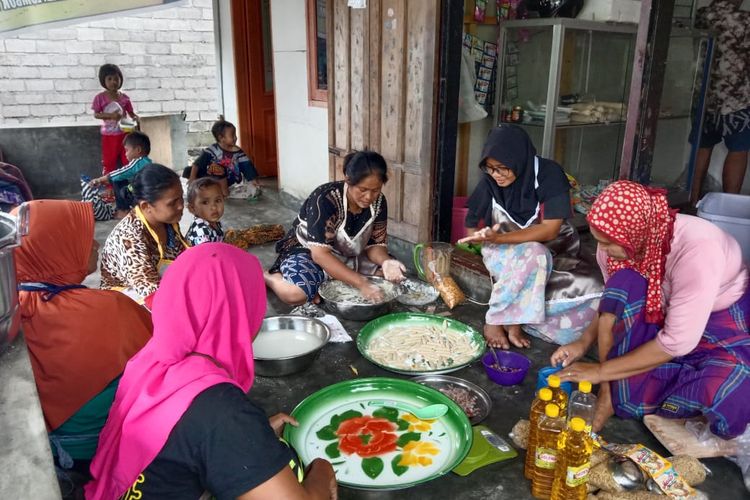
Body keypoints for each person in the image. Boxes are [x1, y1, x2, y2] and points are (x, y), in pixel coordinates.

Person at [86, 244, 337, 500]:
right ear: (240, 310)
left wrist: (254, 440)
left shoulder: (151, 361)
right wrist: (322, 469)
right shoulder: (222, 412)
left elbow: (185, 442)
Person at [552, 181, 750, 439]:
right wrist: (583, 342)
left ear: (637, 232)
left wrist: (599, 372)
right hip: (662, 314)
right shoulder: (614, 245)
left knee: (730, 389)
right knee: (624, 282)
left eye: (609, 243)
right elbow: (613, 301)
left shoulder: (698, 250)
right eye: (599, 240)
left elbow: (677, 342)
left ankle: (623, 384)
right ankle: (611, 393)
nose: (603, 249)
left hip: (716, 321)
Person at [12, 200, 151, 464]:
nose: (96, 244)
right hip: (109, 447)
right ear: (57, 248)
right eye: (82, 239)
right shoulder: (108, 309)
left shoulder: (18, 307)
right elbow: (165, 350)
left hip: (52, 449)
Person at [459, 125, 602, 349]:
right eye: (490, 169)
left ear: (519, 159)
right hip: (505, 251)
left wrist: (499, 238)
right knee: (535, 253)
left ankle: (519, 320)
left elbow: (550, 230)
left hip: (558, 249)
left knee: (596, 288)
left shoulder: (549, 174)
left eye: (502, 168)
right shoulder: (490, 182)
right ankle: (496, 320)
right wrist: (480, 237)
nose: (496, 175)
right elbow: (471, 225)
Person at [266, 150, 406, 305]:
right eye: (362, 189)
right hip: (310, 251)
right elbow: (320, 255)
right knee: (296, 294)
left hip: (351, 254)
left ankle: (324, 284)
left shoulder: (379, 202)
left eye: (375, 190)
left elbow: (375, 246)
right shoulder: (325, 198)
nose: (369, 197)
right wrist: (361, 283)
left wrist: (386, 261)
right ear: (348, 179)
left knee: (391, 278)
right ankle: (270, 277)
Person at [100, 164, 189, 307]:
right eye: (172, 203)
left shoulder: (167, 222)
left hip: (157, 286)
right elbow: (153, 298)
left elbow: (182, 259)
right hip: (125, 301)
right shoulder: (129, 239)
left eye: (181, 198)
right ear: (146, 206)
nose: (180, 206)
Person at [690, 0, 750, 205]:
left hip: (703, 95)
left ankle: (691, 200)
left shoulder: (701, 15)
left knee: (701, 146)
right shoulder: (745, 20)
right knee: (738, 149)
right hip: (737, 98)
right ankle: (729, 204)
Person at [187, 118, 260, 197]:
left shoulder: (238, 152)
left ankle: (225, 191)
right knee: (216, 168)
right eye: (232, 135)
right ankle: (222, 192)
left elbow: (246, 165)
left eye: (235, 135)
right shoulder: (212, 151)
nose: (235, 138)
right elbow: (197, 164)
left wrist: (253, 180)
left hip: (230, 179)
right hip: (212, 180)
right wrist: (192, 178)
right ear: (221, 138)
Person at [89, 131, 152, 218]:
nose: (125, 154)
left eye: (127, 150)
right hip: (146, 196)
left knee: (118, 180)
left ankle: (123, 210)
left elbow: (121, 173)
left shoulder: (138, 162)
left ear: (138, 150)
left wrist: (100, 179)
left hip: (141, 196)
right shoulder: (147, 162)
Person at [91, 64, 139, 175]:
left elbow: (131, 113)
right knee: (109, 161)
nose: (113, 82)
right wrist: (110, 116)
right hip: (109, 135)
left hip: (125, 133)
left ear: (120, 79)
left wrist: (135, 118)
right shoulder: (100, 98)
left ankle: (130, 181)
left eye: (116, 79)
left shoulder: (125, 98)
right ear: (103, 81)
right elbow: (96, 115)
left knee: (128, 159)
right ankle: (109, 183)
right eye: (109, 79)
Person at [185, 177, 225, 246]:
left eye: (217, 201)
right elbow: (205, 252)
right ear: (192, 208)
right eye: (205, 202)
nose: (214, 207)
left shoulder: (214, 223)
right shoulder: (201, 232)